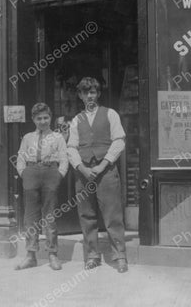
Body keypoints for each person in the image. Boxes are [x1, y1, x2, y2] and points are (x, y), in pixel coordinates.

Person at [67, 77, 128, 273]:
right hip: (84, 173)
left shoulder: (111, 114)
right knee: (87, 215)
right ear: (80, 96)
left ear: (98, 94)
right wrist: (81, 168)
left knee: (112, 215)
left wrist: (102, 165)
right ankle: (92, 256)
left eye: (93, 92)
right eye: (86, 93)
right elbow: (71, 147)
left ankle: (119, 256)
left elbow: (119, 141)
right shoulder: (76, 120)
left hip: (106, 171)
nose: (90, 96)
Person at [15, 103, 68, 271]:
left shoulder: (58, 137)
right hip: (31, 173)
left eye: (46, 118)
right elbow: (20, 158)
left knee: (50, 215)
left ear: (50, 118)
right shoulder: (27, 137)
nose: (43, 121)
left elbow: (64, 159)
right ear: (33, 120)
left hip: (50, 173)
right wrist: (24, 173)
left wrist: (59, 175)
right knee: (30, 217)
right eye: (39, 118)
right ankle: (31, 255)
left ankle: (52, 254)